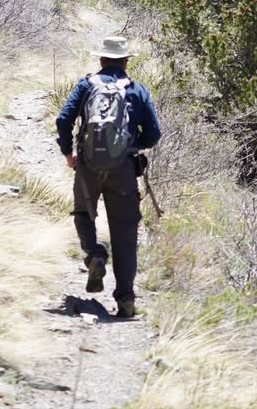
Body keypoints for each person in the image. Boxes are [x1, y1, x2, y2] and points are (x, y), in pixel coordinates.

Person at [56, 36, 161, 318]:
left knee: (83, 213)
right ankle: (125, 300)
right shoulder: (136, 90)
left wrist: (69, 153)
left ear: (101, 60)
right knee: (125, 233)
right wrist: (130, 145)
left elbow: (63, 120)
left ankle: (95, 256)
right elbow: (153, 134)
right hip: (124, 171)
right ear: (126, 61)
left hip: (87, 166)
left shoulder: (86, 85)